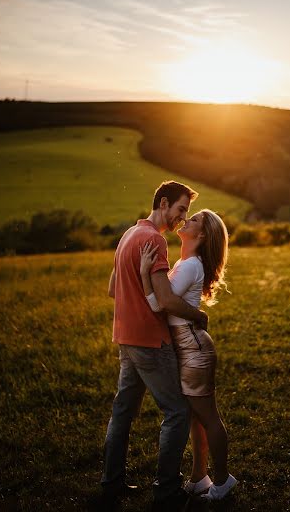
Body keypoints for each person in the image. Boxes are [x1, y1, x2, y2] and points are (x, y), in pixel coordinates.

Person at [101, 181, 208, 511]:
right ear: (163, 203)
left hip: (125, 337)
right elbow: (165, 300)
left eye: (186, 213)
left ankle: (112, 482)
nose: (181, 218)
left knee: (122, 412)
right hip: (149, 340)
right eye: (180, 210)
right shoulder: (153, 240)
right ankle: (166, 491)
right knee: (177, 410)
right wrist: (198, 315)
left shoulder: (130, 235)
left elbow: (111, 289)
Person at [140, 209, 237, 501]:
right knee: (196, 418)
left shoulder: (190, 265)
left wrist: (145, 273)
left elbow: (160, 305)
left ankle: (222, 481)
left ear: (202, 235)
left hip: (194, 348)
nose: (186, 220)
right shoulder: (186, 263)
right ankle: (199, 477)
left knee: (208, 417)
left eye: (193, 220)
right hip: (188, 345)